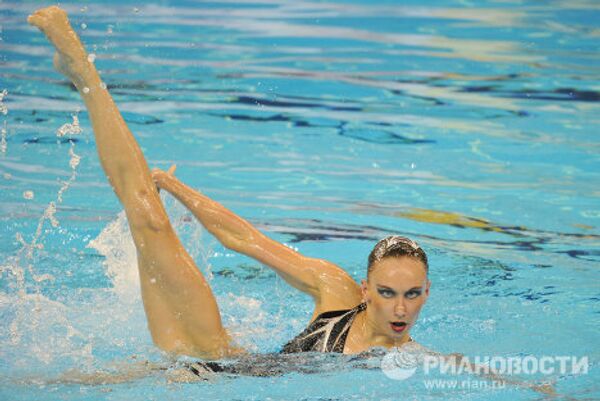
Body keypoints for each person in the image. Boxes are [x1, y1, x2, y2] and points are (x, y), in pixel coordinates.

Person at [27, 5, 430, 360]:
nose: (400, 310)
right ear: (365, 289)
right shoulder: (334, 287)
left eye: (411, 295)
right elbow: (242, 239)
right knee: (148, 212)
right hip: (218, 355)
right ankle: (82, 72)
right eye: (388, 293)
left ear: (426, 293)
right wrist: (176, 187)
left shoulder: (409, 360)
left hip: (205, 377)